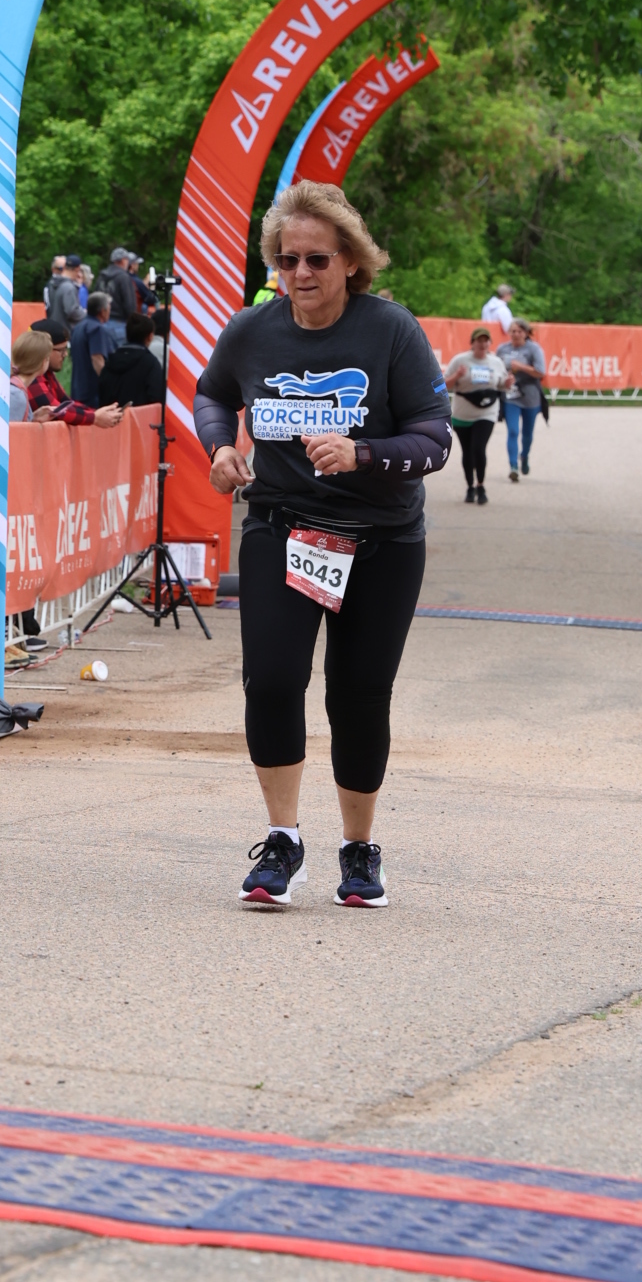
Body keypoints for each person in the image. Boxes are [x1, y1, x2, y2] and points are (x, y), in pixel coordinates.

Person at [196, 178, 452, 911]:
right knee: (273, 681)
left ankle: (358, 848)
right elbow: (214, 393)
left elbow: (435, 440)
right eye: (287, 260)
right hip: (282, 527)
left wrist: (362, 453)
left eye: (316, 259)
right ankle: (282, 840)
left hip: (381, 538)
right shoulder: (253, 330)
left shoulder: (391, 331)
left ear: (351, 261)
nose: (300, 273)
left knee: (359, 694)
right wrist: (220, 446)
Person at [445, 329, 511, 502]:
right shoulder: (460, 360)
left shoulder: (496, 362)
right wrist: (457, 375)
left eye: (486, 341)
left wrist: (508, 383)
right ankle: (470, 487)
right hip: (462, 413)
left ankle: (480, 485)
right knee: (467, 451)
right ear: (472, 343)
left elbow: (502, 384)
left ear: (490, 343)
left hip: (487, 412)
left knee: (478, 448)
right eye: (479, 340)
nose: (482, 344)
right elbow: (443, 385)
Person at [25, 326, 123, 427]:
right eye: (61, 350)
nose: (65, 354)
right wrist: (94, 417)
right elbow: (56, 411)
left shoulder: (47, 374)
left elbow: (66, 403)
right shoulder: (32, 378)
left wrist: (97, 413)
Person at [497, 318, 546, 481]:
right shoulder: (502, 349)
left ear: (525, 333)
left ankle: (524, 455)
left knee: (527, 433)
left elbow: (541, 371)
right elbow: (496, 368)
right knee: (512, 431)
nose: (516, 334)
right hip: (511, 396)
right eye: (513, 331)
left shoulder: (533, 349)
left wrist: (521, 367)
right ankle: (513, 466)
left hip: (530, 396)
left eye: (519, 331)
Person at [97, 311, 164, 409]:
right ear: (150, 336)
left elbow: (101, 392)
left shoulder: (110, 361)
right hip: (139, 417)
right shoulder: (151, 363)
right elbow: (156, 397)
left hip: (110, 416)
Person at [70, 292, 124, 407]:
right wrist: (110, 386)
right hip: (92, 392)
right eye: (109, 309)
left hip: (78, 389)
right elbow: (97, 360)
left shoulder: (78, 327)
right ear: (103, 311)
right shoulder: (97, 329)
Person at [102, 248, 138, 322]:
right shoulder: (124, 277)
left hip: (101, 320)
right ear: (123, 260)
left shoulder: (102, 276)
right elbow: (130, 304)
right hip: (119, 320)